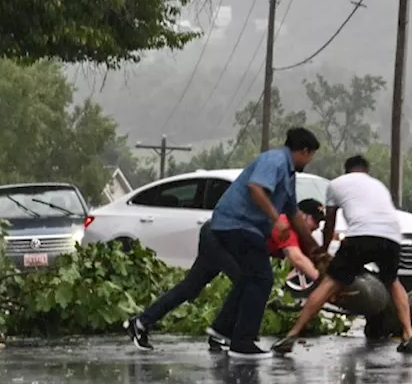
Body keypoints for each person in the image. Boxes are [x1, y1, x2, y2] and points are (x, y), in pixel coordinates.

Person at [126, 127, 323, 359]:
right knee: (256, 279)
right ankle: (239, 340)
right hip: (233, 227)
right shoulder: (275, 161)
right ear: (304, 151)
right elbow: (255, 188)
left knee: (196, 285)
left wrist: (317, 251)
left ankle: (142, 322)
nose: (310, 161)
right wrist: (274, 220)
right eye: (310, 156)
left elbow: (294, 215)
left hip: (224, 231)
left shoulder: (288, 176)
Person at [271, 154, 412, 355]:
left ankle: (292, 335)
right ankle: (409, 334)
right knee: (393, 281)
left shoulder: (336, 184)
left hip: (361, 235)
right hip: (391, 236)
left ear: (346, 170)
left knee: (329, 283)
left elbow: (329, 222)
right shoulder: (378, 185)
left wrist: (324, 249)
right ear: (366, 170)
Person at [269, 198, 325, 282]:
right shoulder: (285, 224)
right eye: (315, 220)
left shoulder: (301, 234)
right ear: (301, 215)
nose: (317, 227)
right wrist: (323, 283)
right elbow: (297, 258)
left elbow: (313, 258)